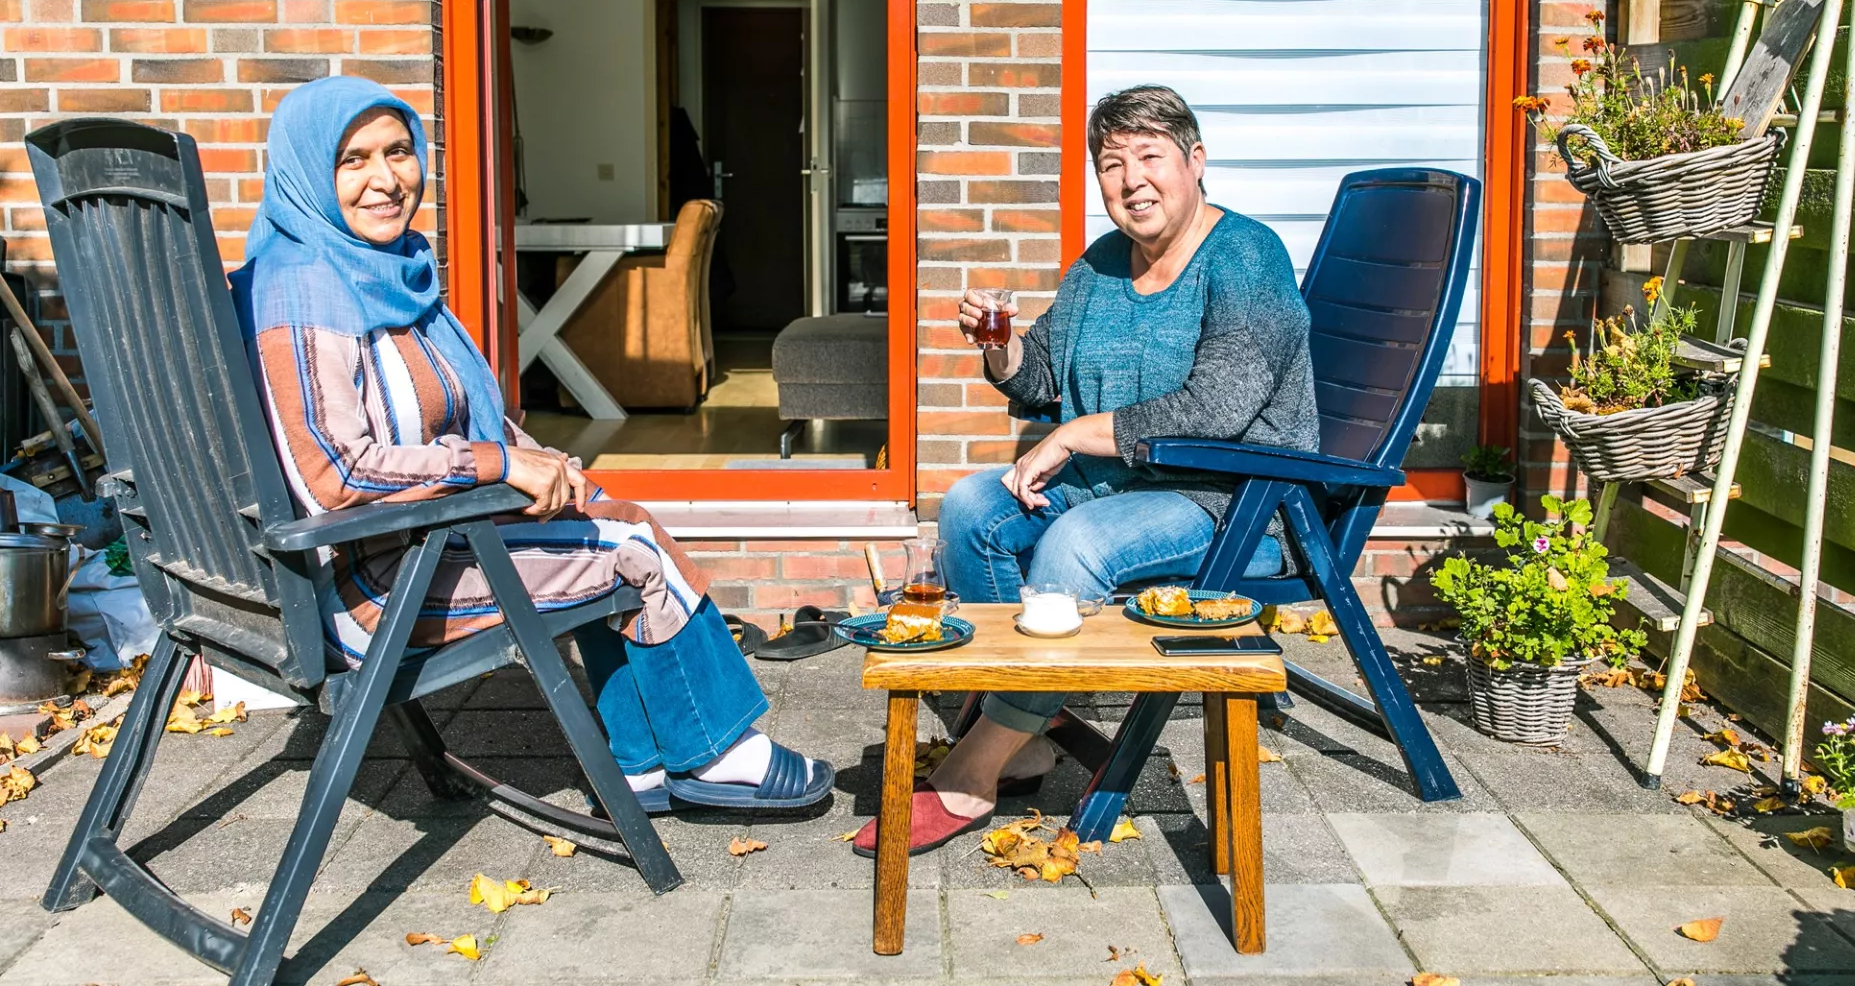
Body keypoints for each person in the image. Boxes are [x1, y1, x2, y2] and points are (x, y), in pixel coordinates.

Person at [233, 75, 831, 813]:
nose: (386, 180)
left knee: (608, 513)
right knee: (635, 553)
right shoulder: (301, 291)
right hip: (376, 587)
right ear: (305, 173)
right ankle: (719, 754)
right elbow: (334, 473)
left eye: (398, 151)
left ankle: (641, 764)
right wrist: (497, 463)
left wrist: (539, 461)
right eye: (352, 160)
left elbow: (452, 413)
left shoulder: (379, 271)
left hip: (416, 542)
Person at [853, 84, 1316, 856]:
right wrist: (999, 346)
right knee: (970, 507)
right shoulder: (1101, 264)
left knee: (1077, 544)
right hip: (1121, 483)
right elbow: (1040, 376)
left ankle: (980, 763)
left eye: (1149, 157)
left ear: (1196, 161)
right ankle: (1025, 725)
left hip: (1229, 500)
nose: (1131, 180)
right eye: (1111, 163)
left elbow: (1221, 405)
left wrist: (1073, 435)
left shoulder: (1246, 255)